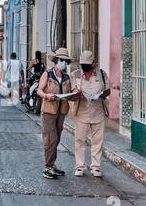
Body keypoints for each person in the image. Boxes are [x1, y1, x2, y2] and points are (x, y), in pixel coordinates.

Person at [70, 51, 111, 178]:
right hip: (81, 112)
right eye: (83, 64)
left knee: (97, 140)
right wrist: (76, 93)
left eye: (88, 64)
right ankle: (80, 166)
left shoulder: (102, 74)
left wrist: (102, 94)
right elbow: (70, 93)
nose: (85, 67)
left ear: (93, 63)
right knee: (79, 139)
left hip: (97, 111)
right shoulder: (75, 74)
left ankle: (96, 166)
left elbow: (108, 90)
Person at [37, 48, 73, 180]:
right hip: (48, 111)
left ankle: (52, 164)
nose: (64, 63)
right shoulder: (47, 74)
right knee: (50, 139)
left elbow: (70, 92)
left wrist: (74, 94)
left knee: (56, 138)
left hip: (61, 111)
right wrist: (46, 95)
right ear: (56, 60)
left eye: (66, 61)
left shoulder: (66, 77)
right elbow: (39, 90)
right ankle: (48, 167)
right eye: (62, 60)